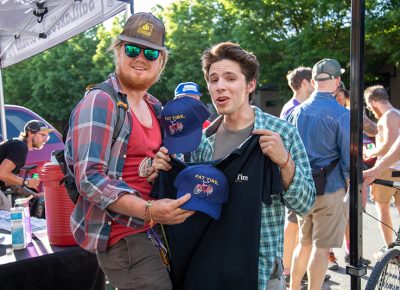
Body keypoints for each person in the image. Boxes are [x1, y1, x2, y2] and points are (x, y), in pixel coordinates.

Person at [152, 41, 315, 290]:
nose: (220, 86)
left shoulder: (281, 133)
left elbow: (305, 204)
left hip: (260, 274)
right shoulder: (199, 143)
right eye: (214, 79)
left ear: (250, 85)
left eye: (230, 78)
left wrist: (284, 162)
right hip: (209, 272)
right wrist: (159, 169)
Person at [65, 13, 194, 290]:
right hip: (123, 236)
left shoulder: (155, 106)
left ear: (161, 61)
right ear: (118, 50)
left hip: (153, 231)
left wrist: (156, 168)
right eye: (133, 49)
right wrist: (149, 210)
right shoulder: (101, 101)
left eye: (150, 53)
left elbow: (138, 167)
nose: (140, 58)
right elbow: (89, 178)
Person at [288, 58, 350, 290]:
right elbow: (347, 159)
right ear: (337, 81)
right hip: (330, 188)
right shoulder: (342, 114)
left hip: (302, 189)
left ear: (313, 82)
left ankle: (293, 288)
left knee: (303, 244)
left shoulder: (295, 112)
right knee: (321, 248)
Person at [280, 66, 314, 284]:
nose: (315, 86)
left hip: (293, 175)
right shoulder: (294, 109)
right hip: (293, 176)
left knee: (293, 224)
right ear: (304, 83)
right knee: (293, 225)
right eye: (312, 82)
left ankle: (288, 268)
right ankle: (288, 270)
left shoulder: (292, 107)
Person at [362, 85, 400, 258]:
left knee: (382, 211)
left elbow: (389, 145)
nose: (370, 109)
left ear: (374, 101)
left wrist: (371, 152)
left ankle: (390, 249)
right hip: (394, 169)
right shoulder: (396, 114)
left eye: (369, 105)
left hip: (387, 170)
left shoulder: (388, 116)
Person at [0, 120, 49, 210]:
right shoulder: (20, 147)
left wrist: (35, 195)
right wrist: (26, 182)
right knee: (6, 215)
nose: (45, 139)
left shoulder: (19, 145)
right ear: (30, 133)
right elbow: (2, 173)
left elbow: (11, 182)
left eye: (47, 136)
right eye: (42, 135)